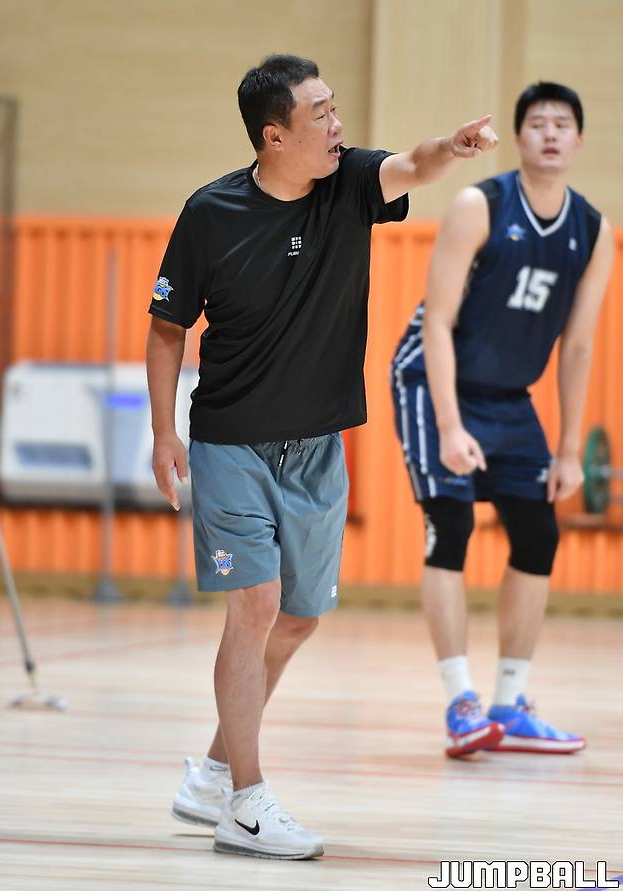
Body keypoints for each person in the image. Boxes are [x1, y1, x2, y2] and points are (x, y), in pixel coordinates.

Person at [147, 53, 497, 859]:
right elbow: (168, 329)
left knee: (298, 616)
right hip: (231, 442)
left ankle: (212, 773)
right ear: (274, 136)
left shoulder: (351, 184)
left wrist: (452, 146)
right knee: (256, 606)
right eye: (321, 115)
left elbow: (415, 164)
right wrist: (164, 433)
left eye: (336, 109)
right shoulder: (210, 213)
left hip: (316, 449)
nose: (338, 126)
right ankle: (247, 803)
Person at [390, 82, 613, 759]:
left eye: (562, 124)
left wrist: (569, 449)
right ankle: (460, 702)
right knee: (451, 526)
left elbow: (578, 347)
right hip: (432, 381)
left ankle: (510, 704)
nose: (550, 133)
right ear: (518, 138)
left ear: (579, 140)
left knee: (538, 533)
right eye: (537, 123)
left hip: (511, 398)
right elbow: (437, 323)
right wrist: (450, 426)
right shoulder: (478, 205)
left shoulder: (593, 230)